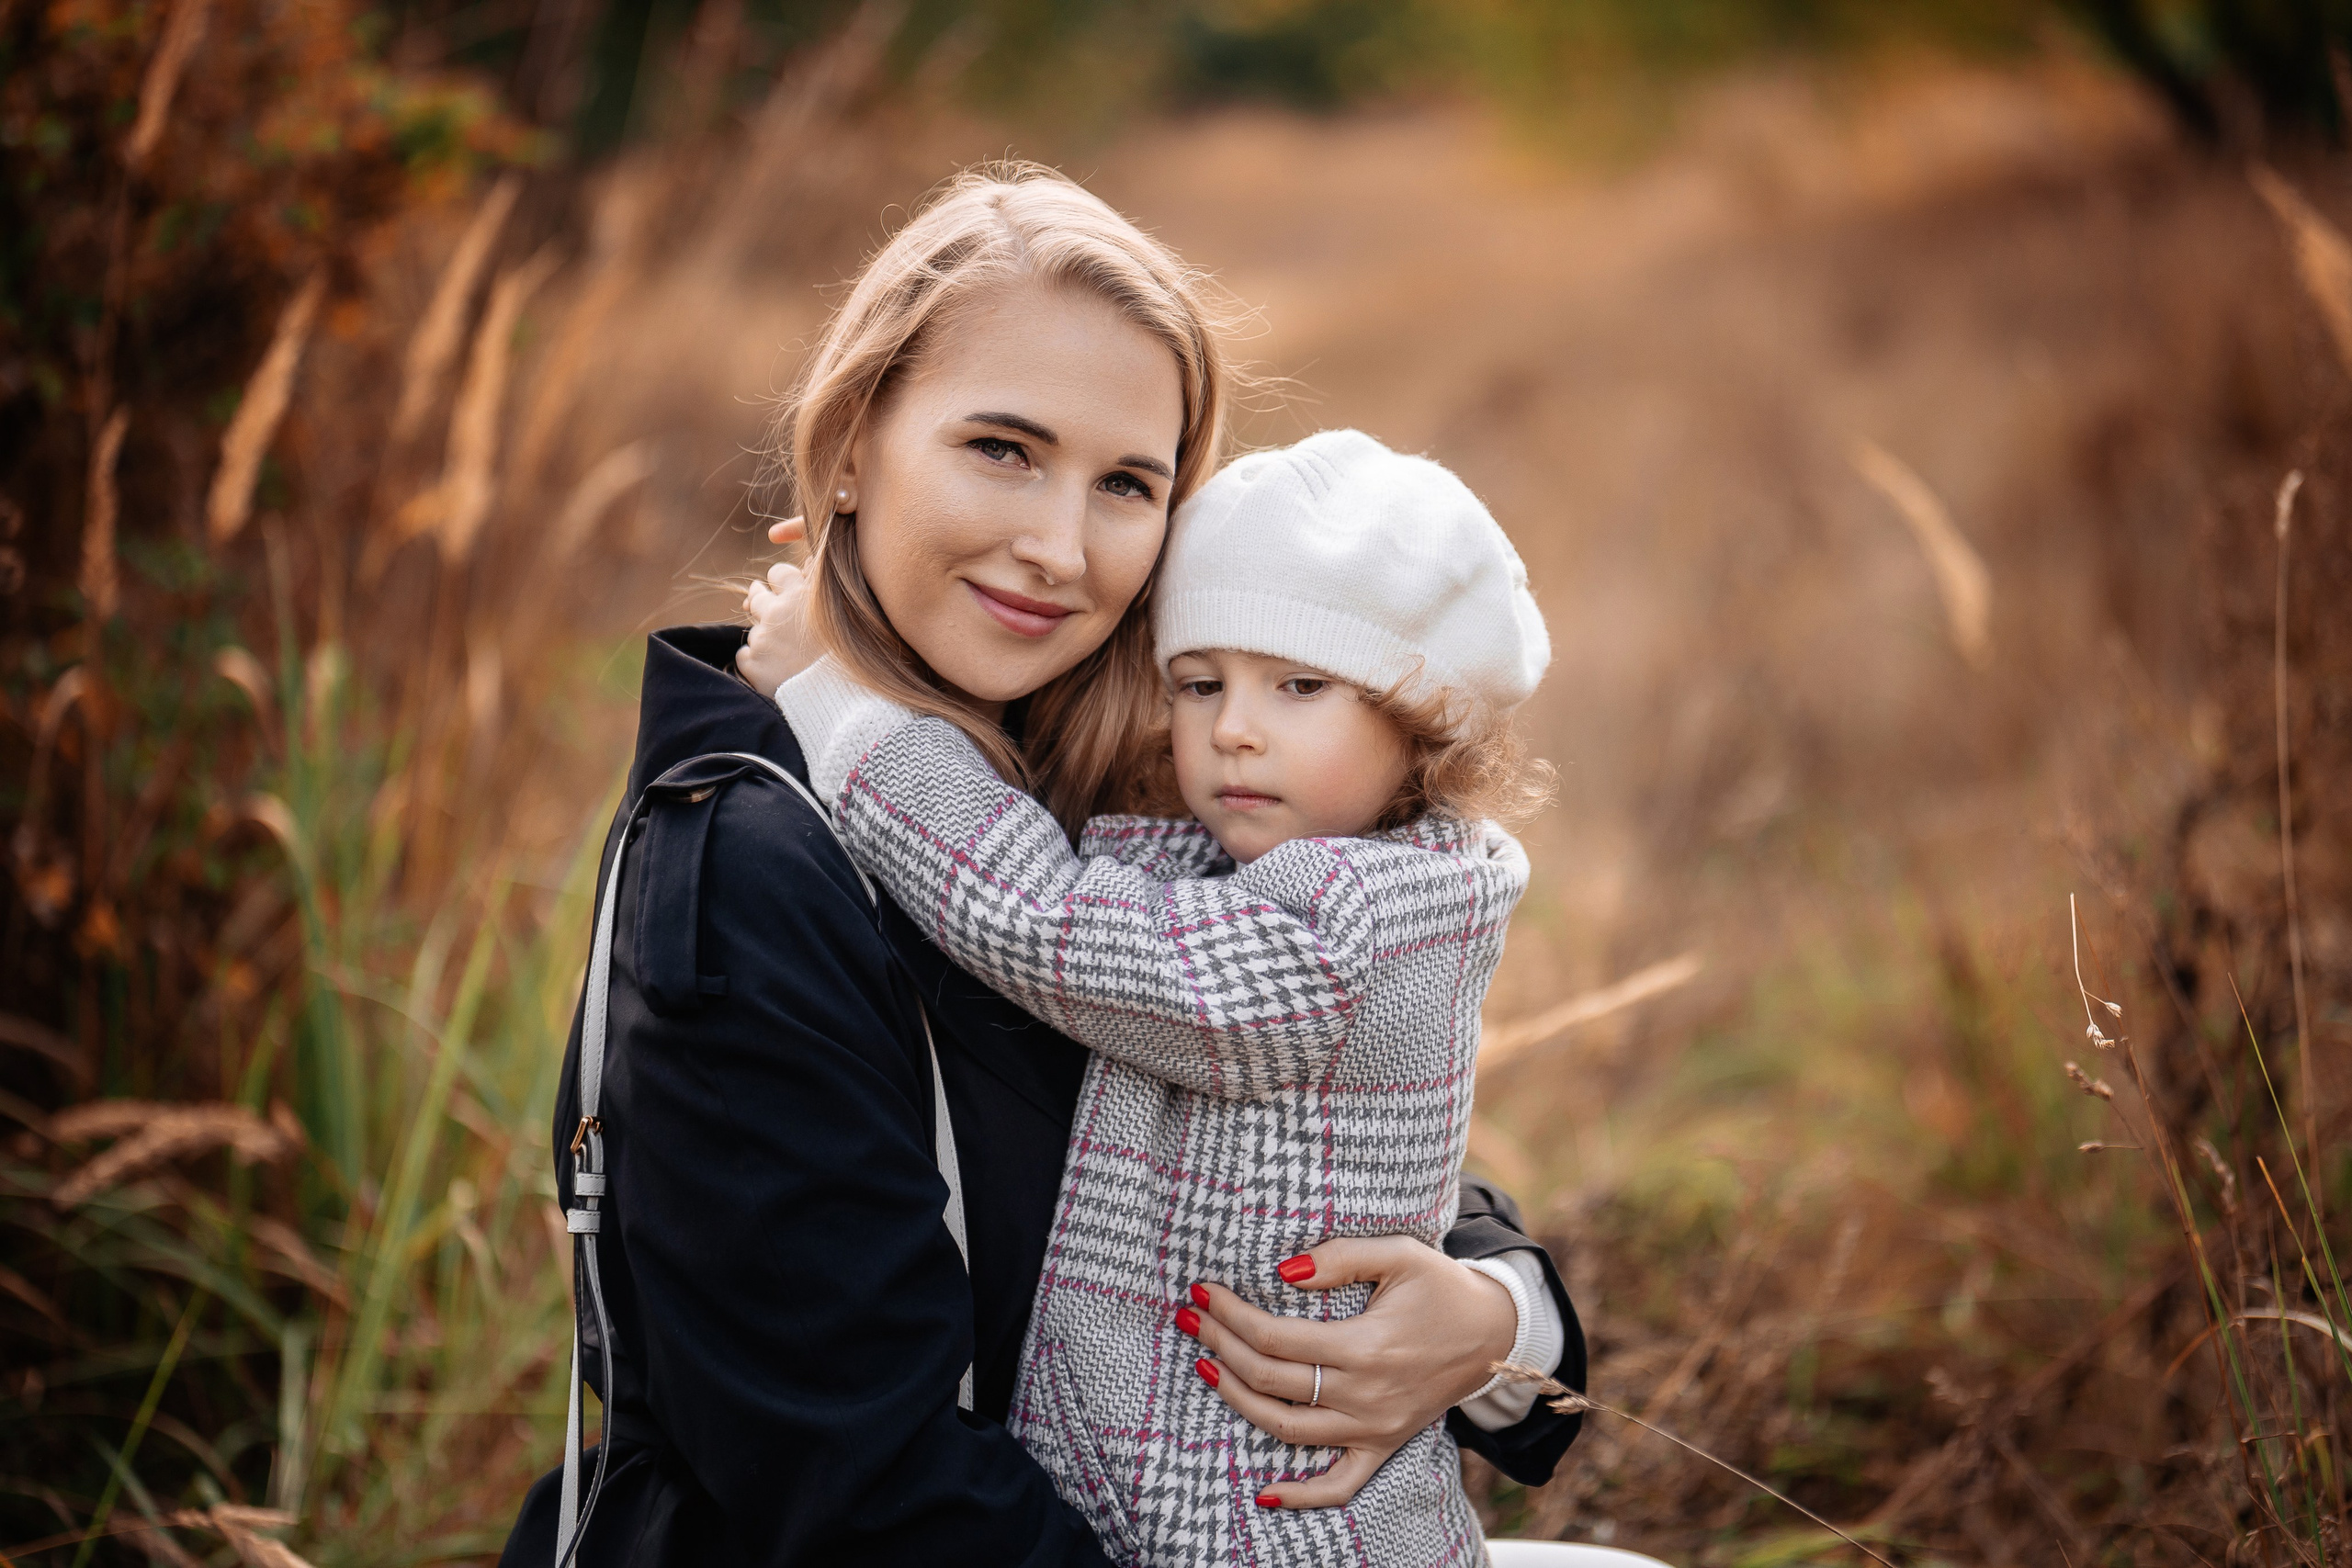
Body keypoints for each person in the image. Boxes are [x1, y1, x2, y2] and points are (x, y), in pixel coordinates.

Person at [498, 164, 1583, 1568]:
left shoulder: (1132, 770)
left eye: (1126, 482)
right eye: (1001, 448)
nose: (1060, 549)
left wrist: (1494, 1317)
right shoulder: (755, 867)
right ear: (850, 446)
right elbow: (863, 1495)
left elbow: (1328, 1129)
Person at [768, 427, 1555, 1565]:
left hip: (1272, 1528)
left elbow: (1047, 922)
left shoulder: (1358, 926)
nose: (1232, 726)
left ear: (1424, 723)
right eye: (1198, 683)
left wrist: (835, 697)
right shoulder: (1262, 865)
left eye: (1298, 684)